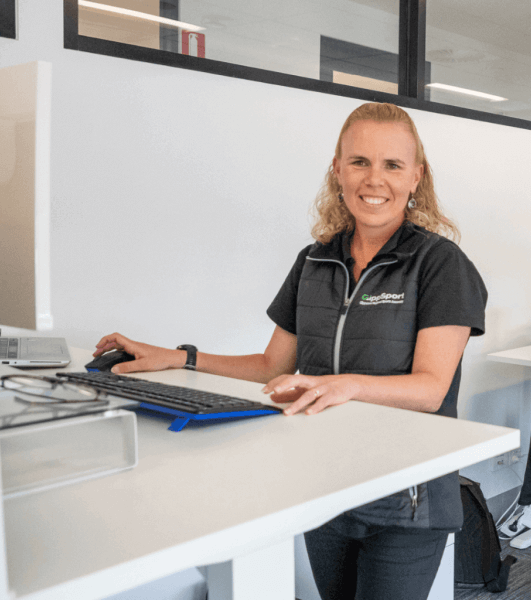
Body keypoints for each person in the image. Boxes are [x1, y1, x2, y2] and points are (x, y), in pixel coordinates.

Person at [94, 102, 487, 600]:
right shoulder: (315, 260)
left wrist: (340, 386)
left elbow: (431, 390)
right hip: (323, 479)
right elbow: (271, 366)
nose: (374, 179)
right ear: (337, 170)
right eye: (359, 161)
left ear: (416, 177)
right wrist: (180, 357)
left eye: (393, 165)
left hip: (405, 498)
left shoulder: (439, 264)